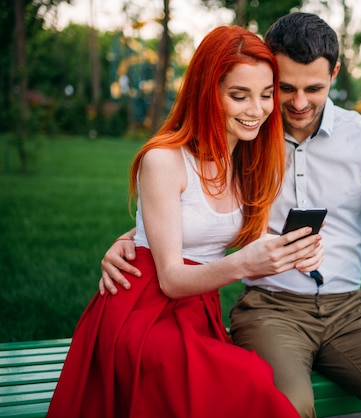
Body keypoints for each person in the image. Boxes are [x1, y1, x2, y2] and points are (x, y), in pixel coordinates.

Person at [102, 12, 361, 418]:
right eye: (285, 88)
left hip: (350, 308)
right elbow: (192, 195)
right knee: (286, 408)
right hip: (269, 307)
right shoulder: (247, 130)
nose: (297, 103)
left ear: (336, 73)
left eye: (314, 88)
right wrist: (134, 239)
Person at [48, 25, 325, 418]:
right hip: (144, 312)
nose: (257, 109)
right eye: (239, 96)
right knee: (248, 383)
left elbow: (213, 228)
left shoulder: (246, 159)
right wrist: (246, 262)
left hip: (198, 311)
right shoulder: (164, 160)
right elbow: (171, 279)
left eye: (265, 95)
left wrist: (296, 249)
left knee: (247, 382)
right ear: (206, 92)